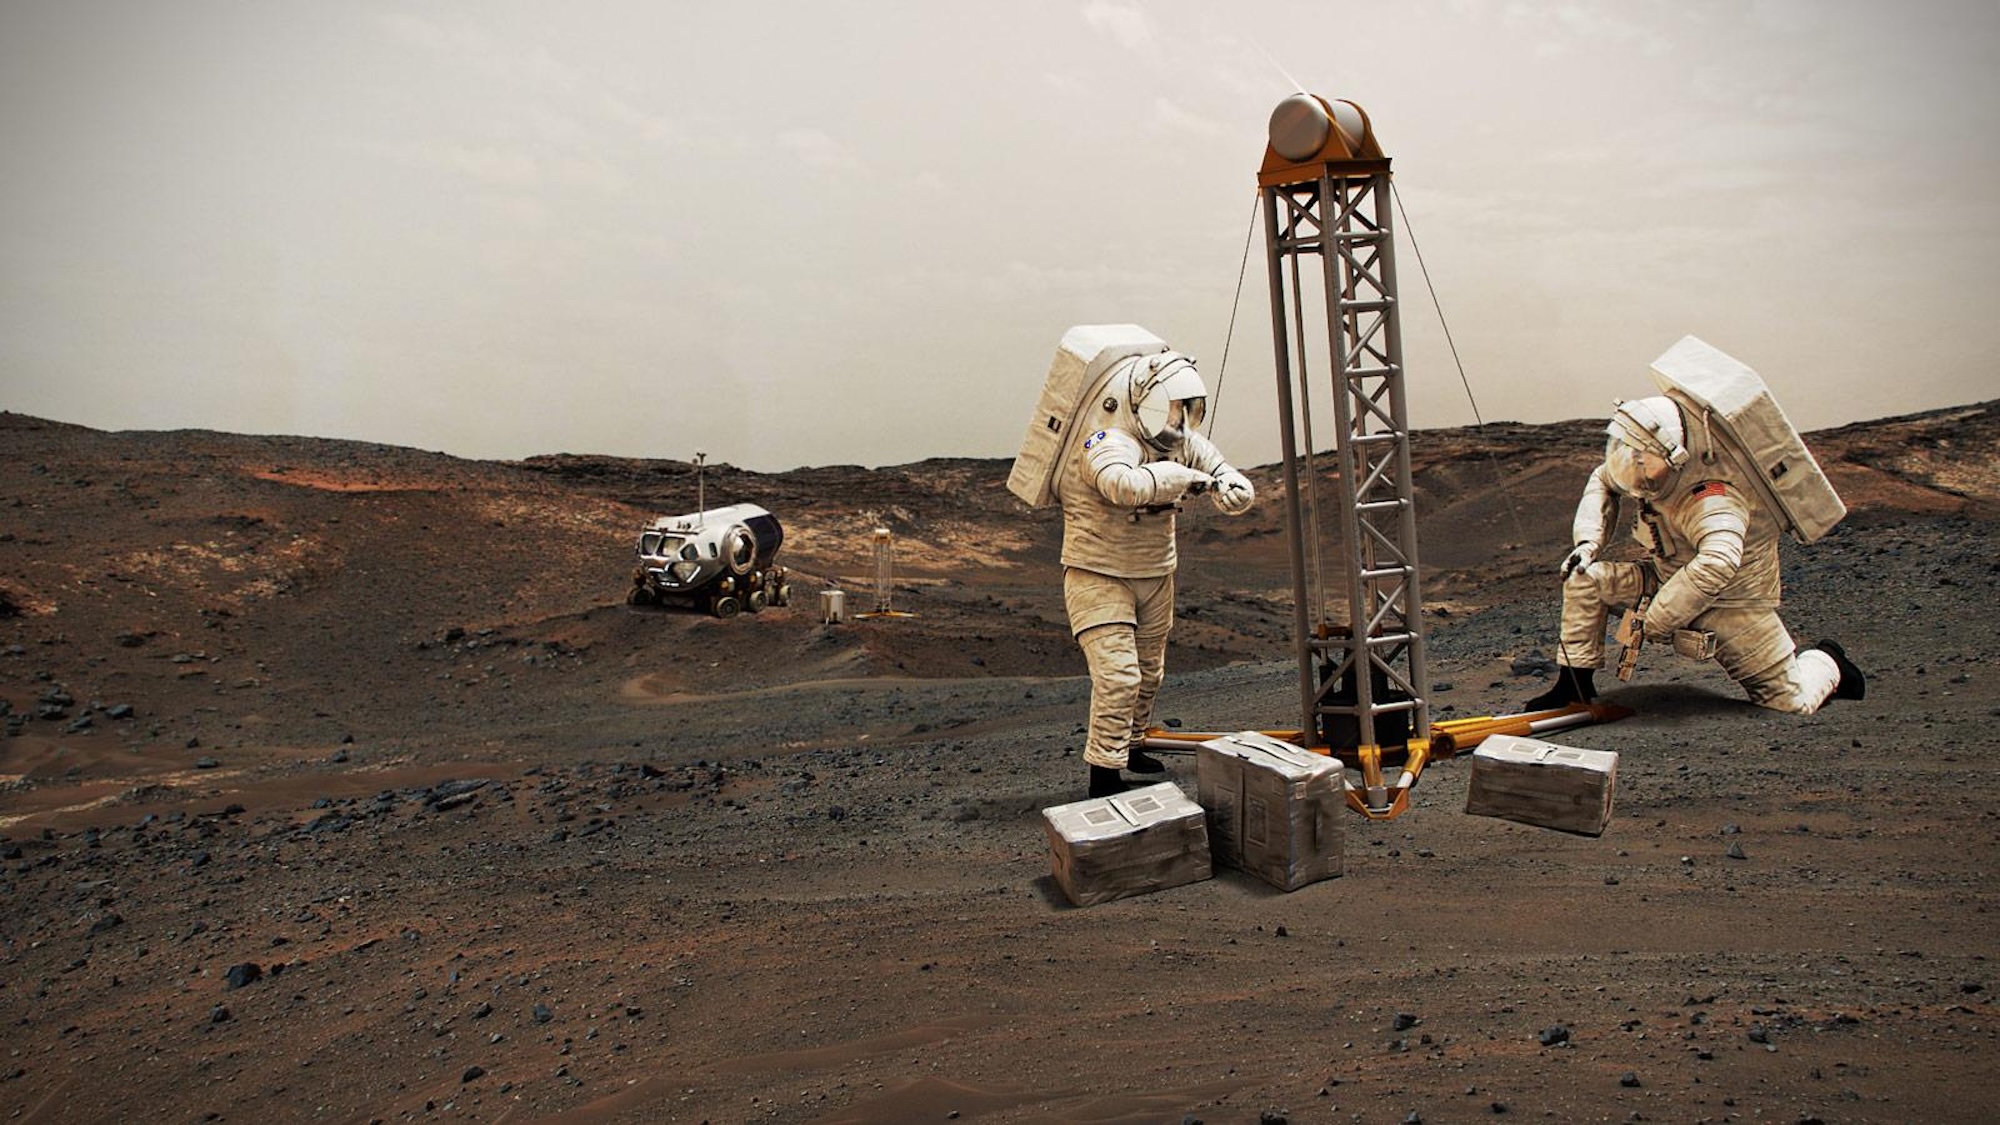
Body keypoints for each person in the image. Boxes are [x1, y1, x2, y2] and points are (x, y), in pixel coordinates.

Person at [1525, 396, 1864, 713]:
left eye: (1643, 455)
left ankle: (1828, 661)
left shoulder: (1714, 498)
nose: (1634, 461)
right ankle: (1574, 687)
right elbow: (1603, 478)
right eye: (1631, 451)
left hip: (1732, 604)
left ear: (1675, 457)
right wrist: (1588, 544)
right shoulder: (1647, 466)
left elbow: (1718, 562)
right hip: (1666, 579)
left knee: (1790, 701)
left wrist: (1658, 619)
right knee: (1584, 578)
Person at [1057, 350, 1255, 797]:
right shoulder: (1105, 441)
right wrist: (1180, 477)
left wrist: (1233, 489)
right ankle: (1104, 773)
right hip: (1098, 573)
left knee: (1149, 673)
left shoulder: (1180, 443)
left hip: (1154, 571)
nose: (1176, 419)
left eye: (1184, 408)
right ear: (1143, 402)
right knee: (1119, 676)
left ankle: (1130, 745)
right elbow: (1122, 485)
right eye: (1170, 407)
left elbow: (1221, 470)